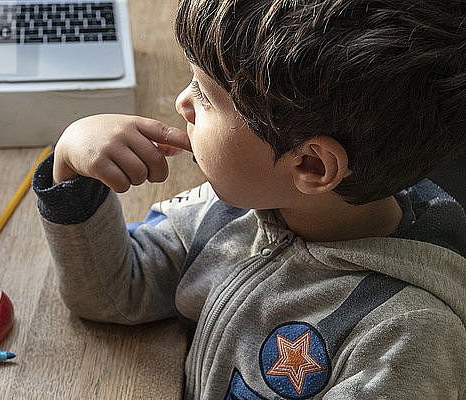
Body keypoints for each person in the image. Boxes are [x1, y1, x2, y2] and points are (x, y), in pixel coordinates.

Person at [33, 0, 466, 398]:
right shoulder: (230, 212)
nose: (183, 101)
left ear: (312, 166)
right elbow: (114, 292)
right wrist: (70, 164)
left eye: (205, 93)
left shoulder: (405, 341)